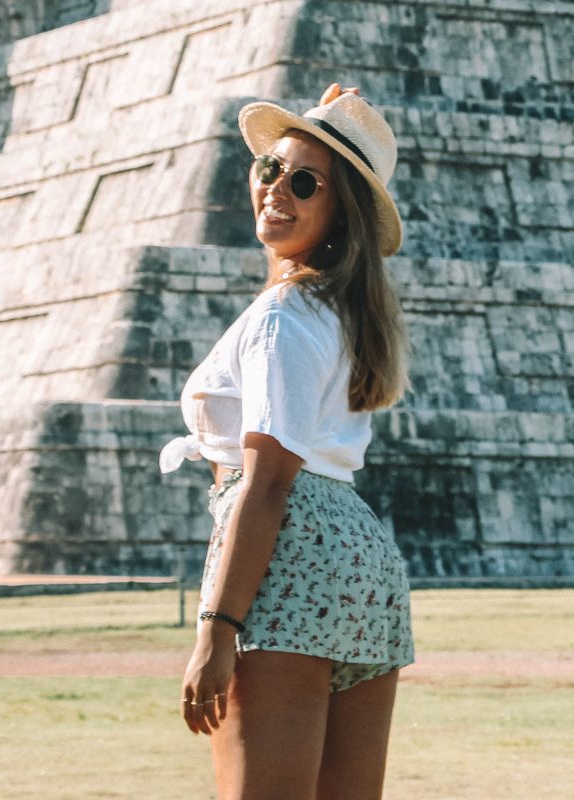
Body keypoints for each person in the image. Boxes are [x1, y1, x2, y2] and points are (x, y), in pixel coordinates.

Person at [157, 82, 415, 800]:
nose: (276, 189)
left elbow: (267, 481)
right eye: (270, 168)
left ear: (341, 215)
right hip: (361, 559)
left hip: (289, 550)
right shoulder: (341, 315)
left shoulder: (283, 316)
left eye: (305, 182)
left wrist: (215, 629)